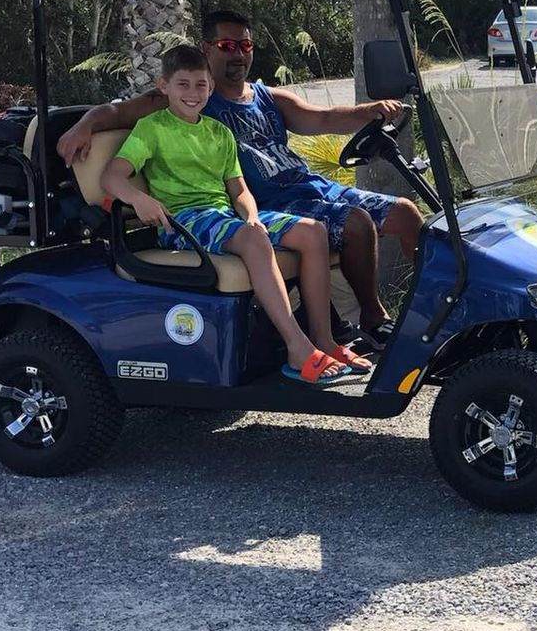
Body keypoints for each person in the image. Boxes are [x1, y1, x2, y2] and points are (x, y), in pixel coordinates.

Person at [59, 8, 422, 348]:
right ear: (206, 49)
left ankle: (428, 321)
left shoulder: (268, 98)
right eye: (226, 46)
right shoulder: (193, 99)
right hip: (272, 203)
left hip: (310, 187)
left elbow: (324, 118)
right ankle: (374, 319)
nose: (238, 54)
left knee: (407, 213)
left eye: (245, 45)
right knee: (357, 224)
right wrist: (85, 125)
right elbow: (117, 112)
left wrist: (369, 112)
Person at [102, 45, 357, 385]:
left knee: (313, 232)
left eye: (200, 85)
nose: (193, 94)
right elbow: (111, 176)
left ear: (210, 86)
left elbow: (239, 191)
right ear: (164, 86)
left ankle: (324, 341)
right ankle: (297, 349)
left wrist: (251, 216)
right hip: (182, 220)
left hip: (222, 216)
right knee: (253, 239)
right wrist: (139, 199)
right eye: (183, 84)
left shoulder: (218, 132)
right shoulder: (152, 128)